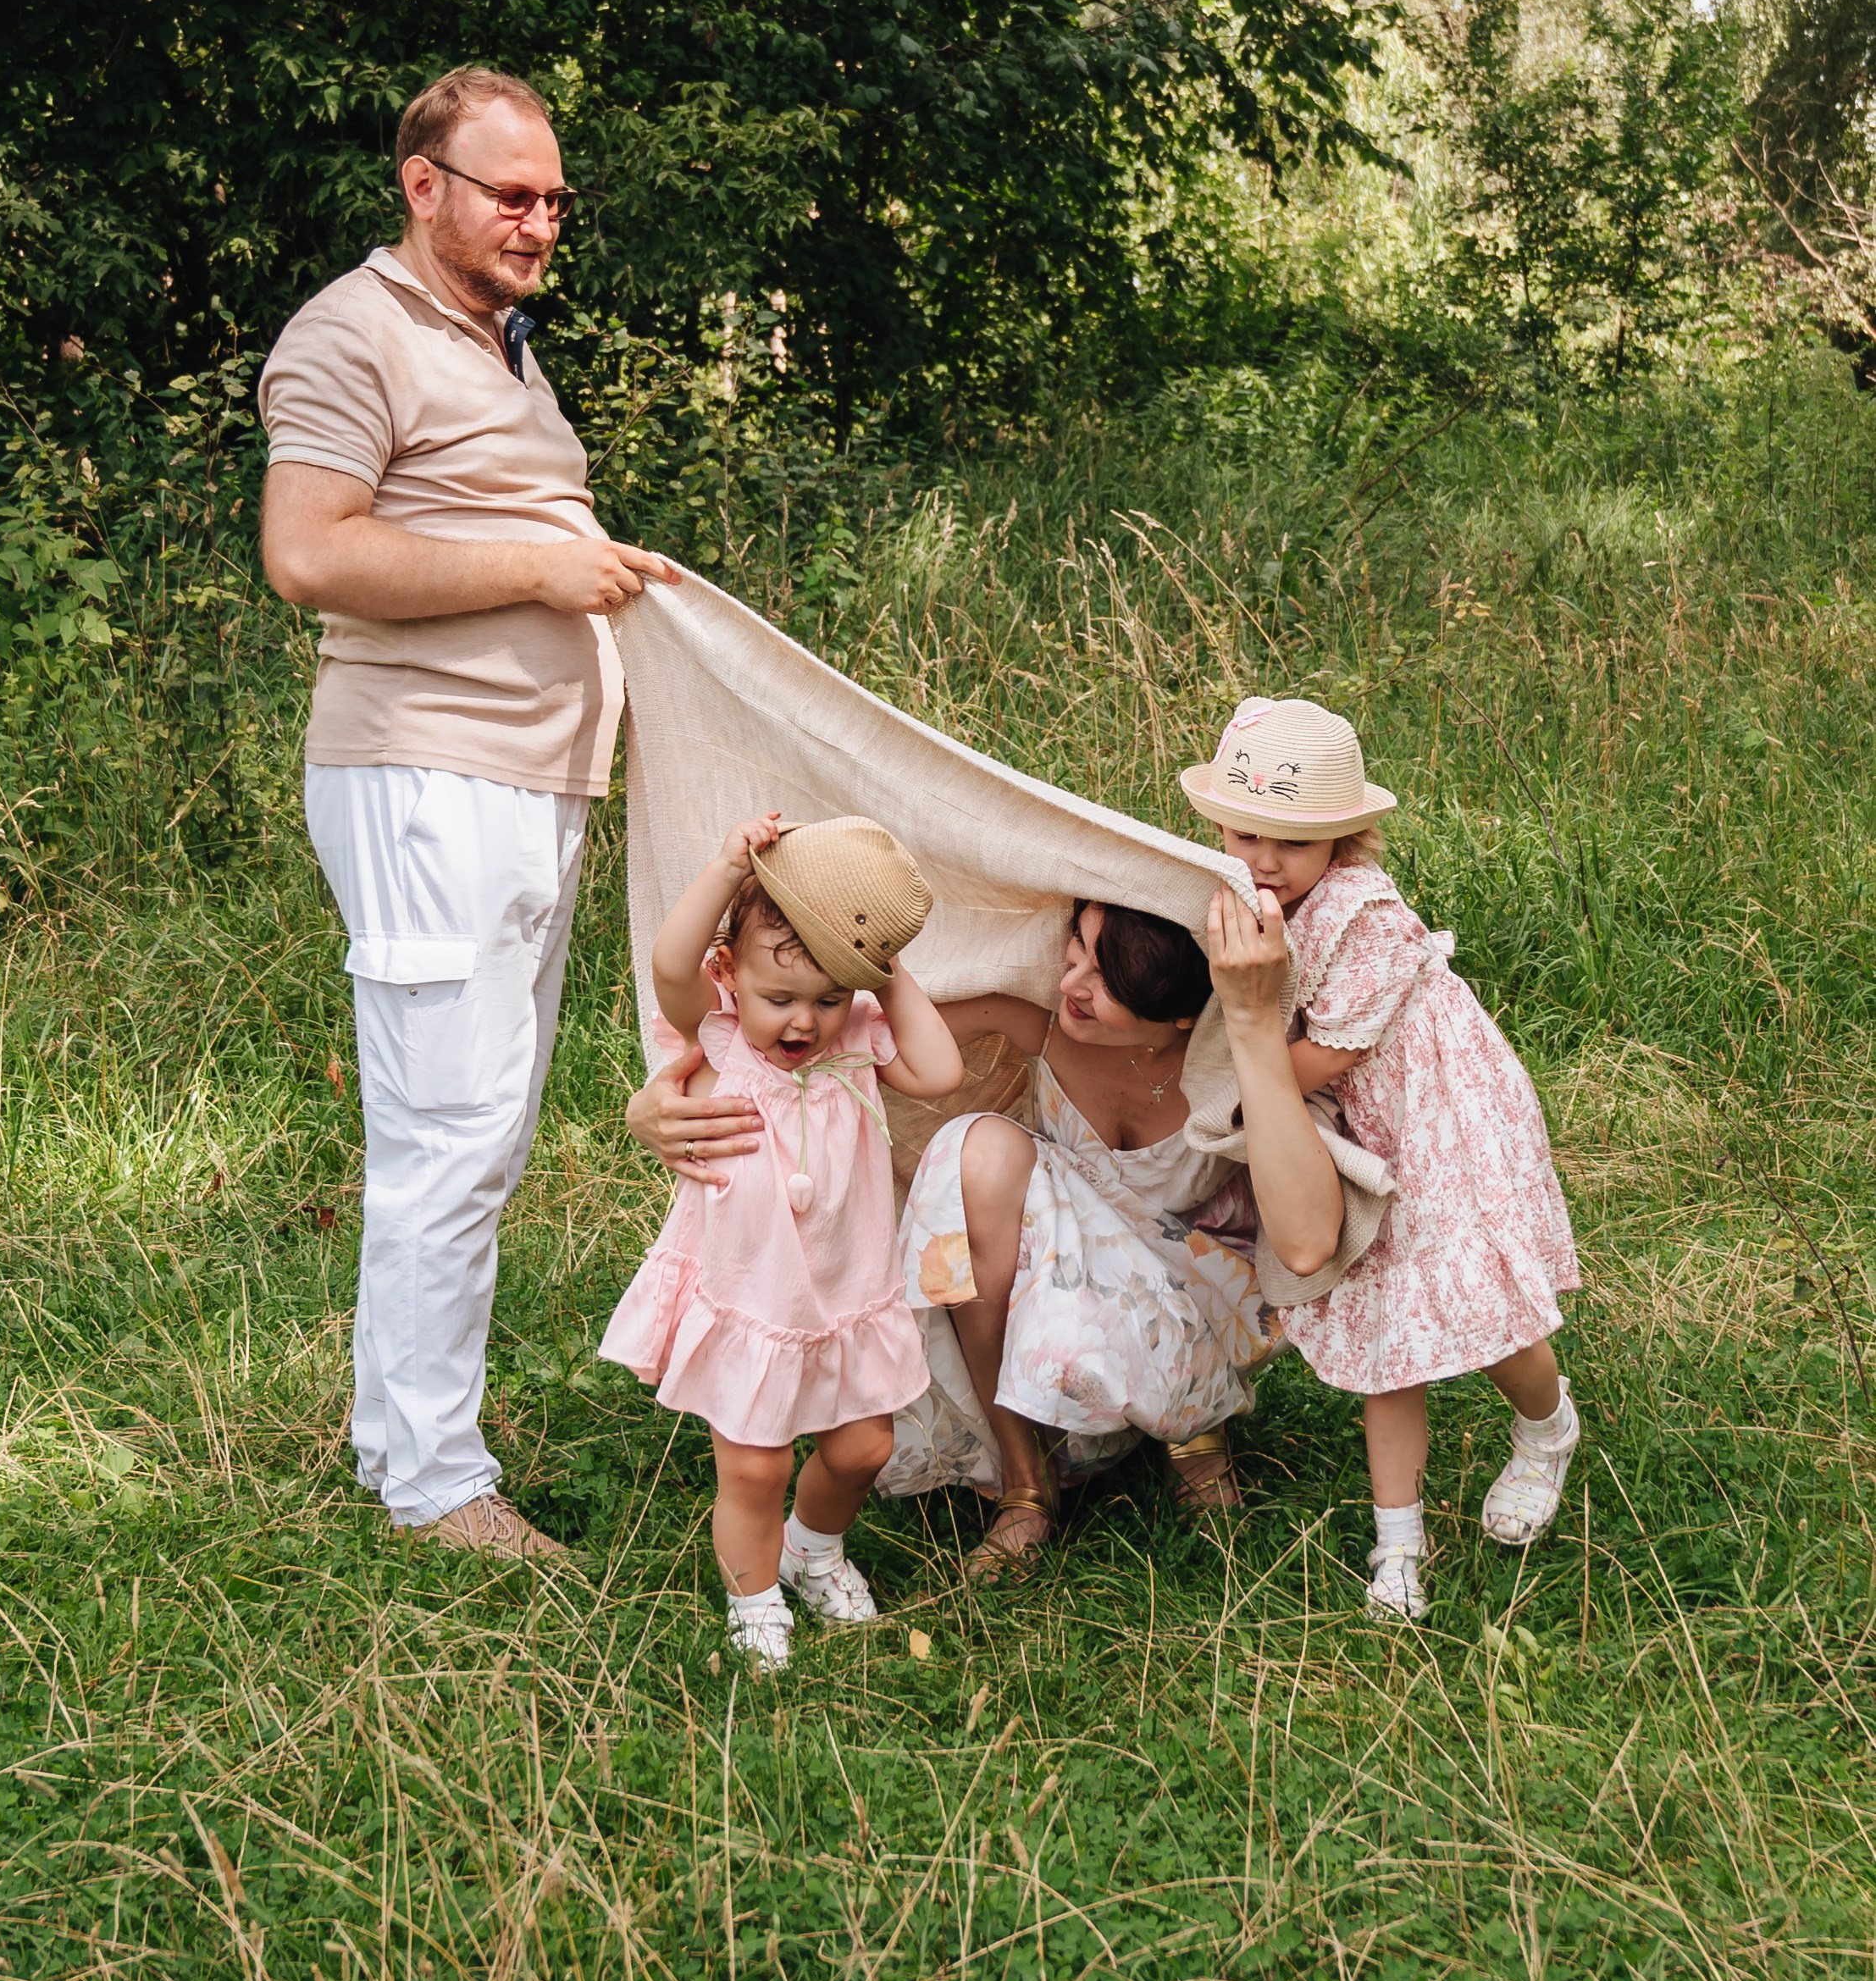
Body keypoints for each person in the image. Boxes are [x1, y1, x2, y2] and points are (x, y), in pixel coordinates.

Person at [258, 64, 672, 1557]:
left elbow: (484, 523)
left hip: (516, 779)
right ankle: (436, 1484)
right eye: (513, 193)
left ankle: (395, 1436)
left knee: (479, 1128)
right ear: (420, 182)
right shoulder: (350, 331)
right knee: (446, 1130)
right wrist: (540, 572)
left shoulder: (499, 341)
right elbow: (307, 553)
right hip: (428, 777)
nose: (540, 220)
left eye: (555, 198)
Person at [627, 872, 1374, 1581]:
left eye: (1107, 983)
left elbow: (1307, 1237)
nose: (1071, 985)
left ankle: (1198, 1439)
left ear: (1179, 1013)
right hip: (1063, 1305)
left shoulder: (1229, 1067)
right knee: (973, 1151)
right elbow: (827, 1039)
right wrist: (657, 1102)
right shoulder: (1038, 1024)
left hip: (1199, 1310)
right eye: (1075, 950)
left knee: (1104, 1220)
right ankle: (1027, 1481)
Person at [1181, 695, 1581, 1623]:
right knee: (1381, 1336)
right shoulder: (1231, 896)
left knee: (1483, 1311)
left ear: (1345, 838)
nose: (1264, 860)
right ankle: (1398, 1544)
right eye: (1246, 832)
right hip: (1352, 1134)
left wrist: (1225, 1071)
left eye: (1293, 841)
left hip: (1433, 1123)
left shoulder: (1369, 919)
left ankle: (1545, 1423)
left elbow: (1326, 1055)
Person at [599, 815, 963, 1667]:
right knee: (755, 1467)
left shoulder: (857, 1040)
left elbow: (941, 1072)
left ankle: (813, 1549)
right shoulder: (722, 1036)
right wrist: (728, 867)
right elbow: (666, 962)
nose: (804, 1021)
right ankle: (753, 1595)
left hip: (847, 1292)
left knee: (865, 1445)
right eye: (782, 997)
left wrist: (886, 971)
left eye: (828, 996)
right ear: (731, 974)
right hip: (754, 1294)